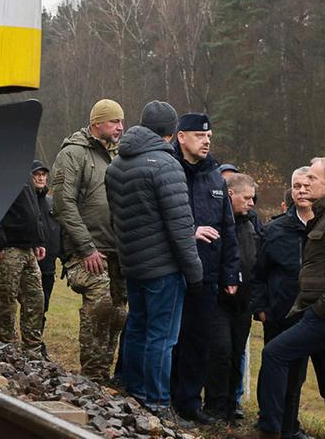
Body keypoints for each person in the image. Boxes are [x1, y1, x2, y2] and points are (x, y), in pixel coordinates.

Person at [254, 157, 325, 439]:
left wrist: (319, 310)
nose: (306, 184)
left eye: (313, 179)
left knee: (275, 353)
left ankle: (271, 431)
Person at [106, 100, 202, 424]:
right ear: (172, 132)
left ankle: (134, 391)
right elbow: (179, 225)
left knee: (136, 328)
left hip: (132, 263)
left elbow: (115, 219)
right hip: (163, 267)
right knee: (162, 337)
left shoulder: (116, 165)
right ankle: (158, 403)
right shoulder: (165, 165)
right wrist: (194, 270)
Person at [51, 99, 128, 384]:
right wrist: (86, 248)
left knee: (118, 313)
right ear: (97, 123)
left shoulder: (120, 156)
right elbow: (63, 204)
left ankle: (104, 375)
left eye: (121, 122)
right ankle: (92, 377)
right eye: (114, 122)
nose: (120, 127)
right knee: (100, 307)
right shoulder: (73, 154)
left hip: (117, 250)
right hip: (87, 250)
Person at [170, 113, 241, 425]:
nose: (207, 141)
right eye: (200, 136)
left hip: (208, 274)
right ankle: (162, 398)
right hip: (173, 270)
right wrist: (190, 232)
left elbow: (227, 227)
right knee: (170, 338)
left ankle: (188, 403)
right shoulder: (169, 169)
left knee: (199, 341)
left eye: (209, 136)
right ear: (181, 137)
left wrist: (229, 272)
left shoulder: (214, 175)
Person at [250, 167, 313, 439]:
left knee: (298, 377)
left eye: (306, 186)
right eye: (296, 186)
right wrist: (262, 309)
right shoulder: (275, 229)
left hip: (315, 315)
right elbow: (258, 273)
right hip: (279, 313)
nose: (301, 190)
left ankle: (290, 427)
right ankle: (270, 427)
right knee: (276, 372)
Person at [205, 172, 259, 422]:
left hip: (244, 303)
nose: (251, 203)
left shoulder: (251, 223)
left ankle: (231, 404)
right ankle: (214, 406)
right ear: (230, 195)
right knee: (221, 352)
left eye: (253, 198)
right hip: (218, 301)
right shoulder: (215, 222)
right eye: (247, 198)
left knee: (237, 353)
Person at [0, 167, 48, 355]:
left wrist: (38, 240)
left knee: (36, 299)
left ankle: (32, 350)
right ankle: (7, 348)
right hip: (7, 249)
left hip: (28, 249)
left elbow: (32, 210)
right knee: (6, 300)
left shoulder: (23, 173)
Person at [32, 160, 61, 318]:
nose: (40, 178)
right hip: (27, 261)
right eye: (36, 175)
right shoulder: (23, 200)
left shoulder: (52, 203)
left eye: (43, 175)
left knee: (44, 303)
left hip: (48, 264)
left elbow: (59, 229)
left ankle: (37, 339)